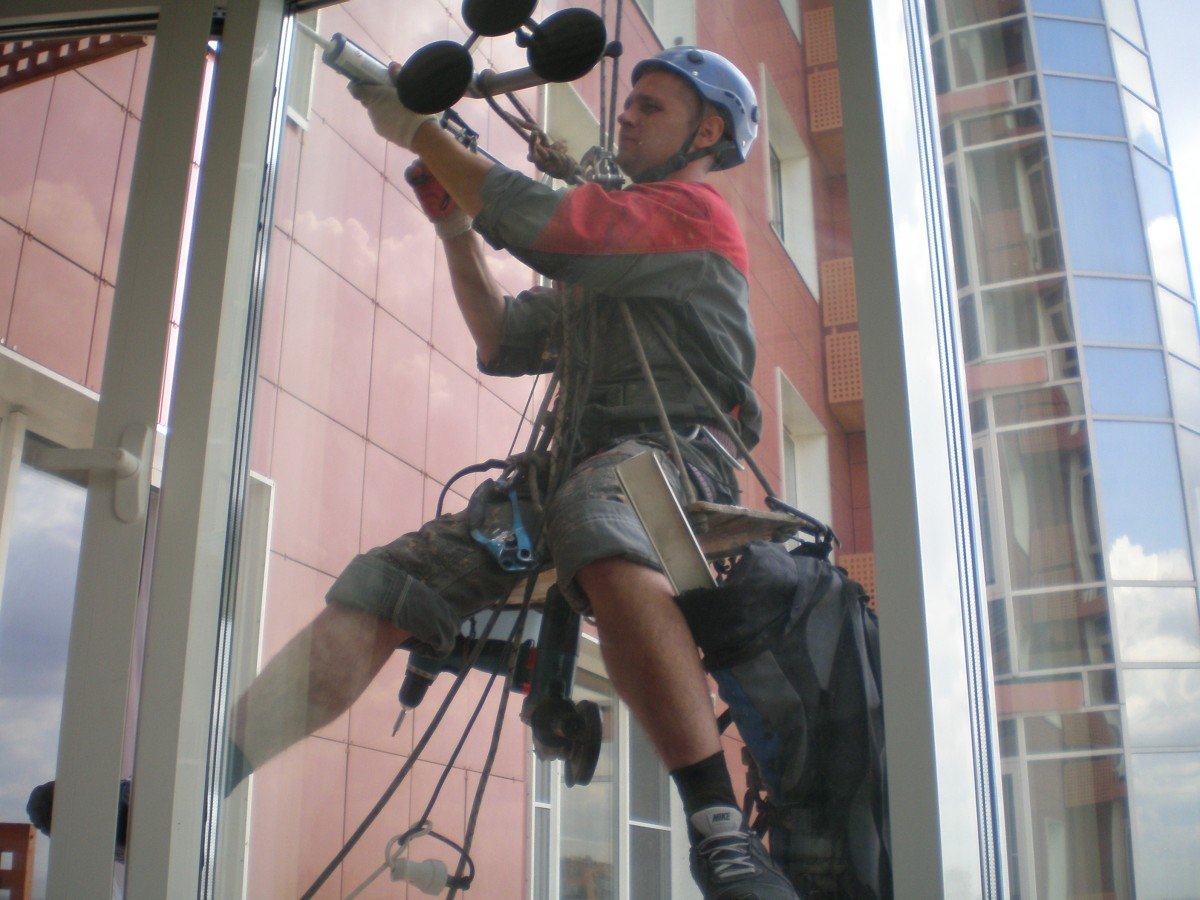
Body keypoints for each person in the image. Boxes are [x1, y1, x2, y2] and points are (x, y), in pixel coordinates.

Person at [230, 46, 798, 900]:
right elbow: (501, 337)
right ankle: (209, 775)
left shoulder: (694, 215)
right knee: (385, 586)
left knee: (603, 511)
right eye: (630, 101)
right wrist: (454, 227)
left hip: (676, 454)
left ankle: (719, 830)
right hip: (566, 474)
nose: (627, 114)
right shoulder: (616, 255)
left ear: (708, 131)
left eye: (651, 106)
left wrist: (424, 132)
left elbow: (550, 226)